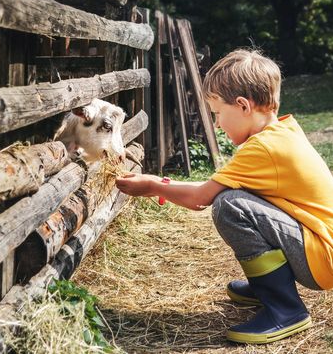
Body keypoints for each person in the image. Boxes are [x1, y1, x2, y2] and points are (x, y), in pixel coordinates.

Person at [115, 49, 333, 344]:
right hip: (320, 248)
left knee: (229, 206)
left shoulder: (263, 149)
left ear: (243, 106)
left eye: (218, 113)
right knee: (234, 196)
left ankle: (285, 309)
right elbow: (219, 184)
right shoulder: (283, 131)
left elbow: (201, 198)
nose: (217, 125)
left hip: (322, 259)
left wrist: (154, 186)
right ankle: (267, 286)